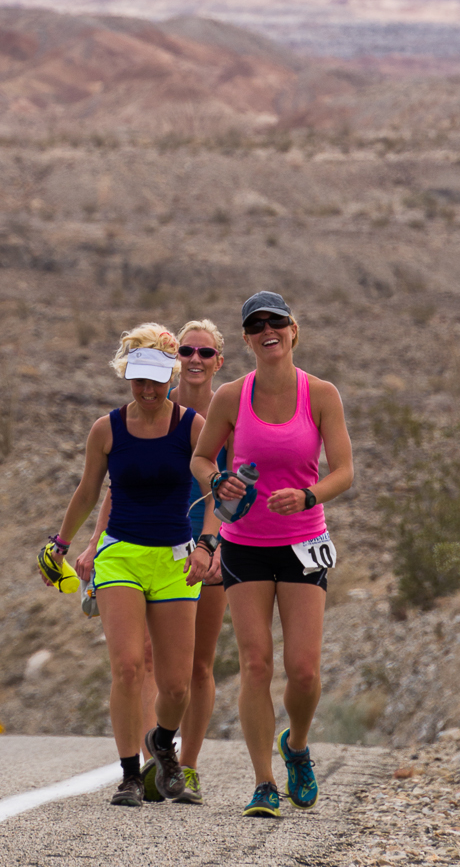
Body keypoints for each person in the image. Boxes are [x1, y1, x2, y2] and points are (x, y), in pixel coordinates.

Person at [190, 290, 354, 819]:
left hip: (305, 541)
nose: (268, 330)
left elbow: (344, 471)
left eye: (276, 322)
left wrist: (308, 495)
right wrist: (218, 480)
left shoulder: (322, 394)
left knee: (303, 671)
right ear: (245, 338)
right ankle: (263, 783)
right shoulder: (231, 397)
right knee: (256, 663)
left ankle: (297, 746)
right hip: (246, 546)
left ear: (293, 329)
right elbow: (199, 458)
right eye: (256, 324)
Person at [41, 322, 218, 807]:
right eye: (138, 379)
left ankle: (162, 741)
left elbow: (209, 493)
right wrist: (62, 541)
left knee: (177, 686)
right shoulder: (107, 429)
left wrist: (207, 544)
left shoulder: (192, 428)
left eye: (156, 379)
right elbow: (88, 491)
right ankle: (128, 776)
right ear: (127, 376)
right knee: (127, 665)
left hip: (175, 560)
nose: (147, 389)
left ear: (171, 376)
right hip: (120, 554)